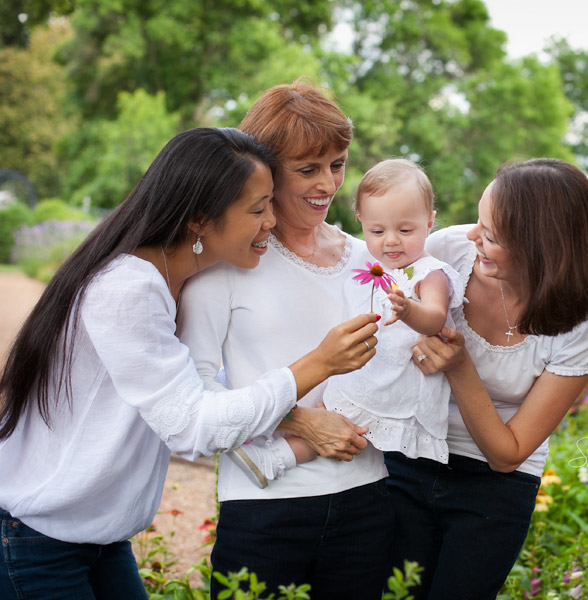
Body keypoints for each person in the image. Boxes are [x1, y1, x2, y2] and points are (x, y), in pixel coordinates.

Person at [0, 127, 379, 599]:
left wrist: (294, 418)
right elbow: (190, 427)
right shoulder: (126, 291)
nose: (271, 223)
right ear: (200, 219)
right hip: (39, 540)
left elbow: (199, 390)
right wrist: (317, 365)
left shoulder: (170, 280)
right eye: (259, 209)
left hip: (99, 541)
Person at [176, 80, 393, 599]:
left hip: (369, 499)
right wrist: (300, 419)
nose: (328, 183)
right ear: (264, 170)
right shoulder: (225, 265)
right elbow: (192, 394)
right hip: (263, 508)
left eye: (337, 164)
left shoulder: (371, 260)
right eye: (308, 169)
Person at [385, 158, 588, 599]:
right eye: (479, 221)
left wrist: (458, 366)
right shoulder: (449, 251)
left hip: (496, 486)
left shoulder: (586, 325)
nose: (473, 236)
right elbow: (390, 322)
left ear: (540, 248)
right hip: (412, 449)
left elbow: (507, 454)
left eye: (490, 235)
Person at [245, 158, 463, 478]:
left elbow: (435, 319)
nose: (391, 240)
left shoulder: (430, 272)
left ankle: (277, 459)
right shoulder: (374, 264)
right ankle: (272, 452)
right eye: (377, 230)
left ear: (429, 222)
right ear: (361, 222)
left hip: (401, 378)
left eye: (405, 230)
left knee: (352, 426)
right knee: (334, 415)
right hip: (372, 371)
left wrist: (409, 310)